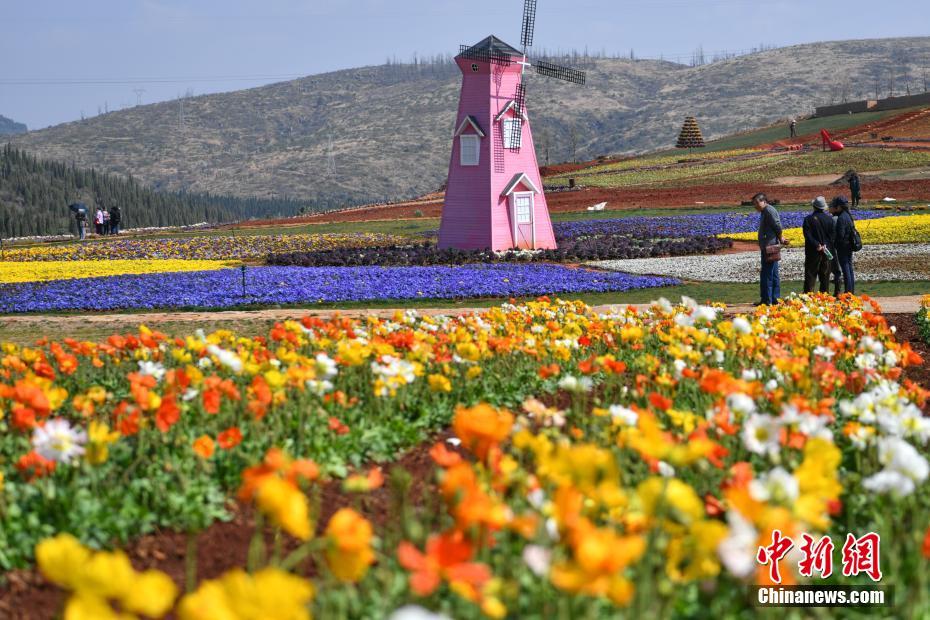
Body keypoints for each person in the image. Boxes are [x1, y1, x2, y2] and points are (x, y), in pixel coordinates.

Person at [753, 192, 784, 306]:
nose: (755, 206)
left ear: (764, 201)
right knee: (773, 273)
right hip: (770, 246)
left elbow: (777, 225)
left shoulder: (768, 211)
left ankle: (767, 300)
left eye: (757, 202)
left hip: (769, 247)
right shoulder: (765, 211)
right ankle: (775, 299)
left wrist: (780, 237)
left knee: (766, 274)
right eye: (754, 204)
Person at [802, 196, 835, 294]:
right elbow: (832, 236)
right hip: (826, 250)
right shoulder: (830, 219)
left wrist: (817, 245)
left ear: (814, 207)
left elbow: (808, 235)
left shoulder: (808, 219)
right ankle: (824, 296)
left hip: (812, 251)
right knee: (825, 275)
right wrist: (825, 245)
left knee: (810, 274)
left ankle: (808, 296)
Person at [830, 196, 856, 294]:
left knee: (845, 270)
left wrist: (835, 244)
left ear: (840, 207)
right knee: (849, 268)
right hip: (849, 246)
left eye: (836, 206)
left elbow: (840, 235)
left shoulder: (841, 218)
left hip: (843, 247)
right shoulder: (848, 216)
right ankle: (851, 291)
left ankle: (848, 292)